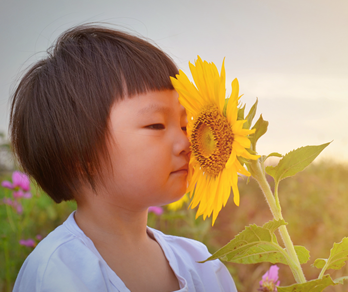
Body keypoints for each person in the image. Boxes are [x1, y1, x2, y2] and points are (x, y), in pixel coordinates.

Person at [9, 24, 237, 292]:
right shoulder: (57, 272)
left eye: (186, 126)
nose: (187, 142)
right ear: (81, 154)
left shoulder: (201, 263)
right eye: (156, 125)